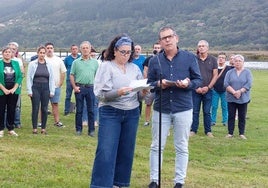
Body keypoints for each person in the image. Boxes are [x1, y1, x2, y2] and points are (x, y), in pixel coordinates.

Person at [147, 26, 202, 188]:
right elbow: (149, 83)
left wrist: (188, 84)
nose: (167, 40)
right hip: (161, 108)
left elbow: (198, 80)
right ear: (160, 42)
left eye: (170, 36)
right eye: (164, 38)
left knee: (181, 146)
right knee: (156, 145)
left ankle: (179, 182)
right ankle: (154, 180)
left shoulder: (189, 58)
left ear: (176, 38)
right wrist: (159, 84)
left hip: (183, 107)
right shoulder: (154, 60)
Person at [90, 34, 146, 188]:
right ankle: (101, 185)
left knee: (126, 151)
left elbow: (139, 97)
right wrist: (118, 92)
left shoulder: (134, 68)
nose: (126, 55)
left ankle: (120, 183)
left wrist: (145, 91)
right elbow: (101, 95)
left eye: (129, 52)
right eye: (123, 52)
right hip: (111, 112)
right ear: (114, 51)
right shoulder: (106, 66)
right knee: (106, 151)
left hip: (132, 113)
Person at [70, 41, 99, 136]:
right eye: (83, 48)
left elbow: (98, 76)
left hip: (90, 88)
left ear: (90, 49)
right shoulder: (76, 62)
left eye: (87, 48)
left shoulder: (95, 63)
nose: (85, 50)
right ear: (80, 50)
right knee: (79, 110)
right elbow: (71, 75)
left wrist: (96, 87)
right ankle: (78, 129)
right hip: (80, 88)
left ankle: (91, 130)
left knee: (91, 109)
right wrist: (74, 87)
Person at [190, 40, 218, 137]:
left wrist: (208, 87)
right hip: (195, 90)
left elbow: (215, 75)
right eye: (199, 46)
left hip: (208, 90)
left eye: (203, 46)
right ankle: (193, 130)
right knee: (195, 111)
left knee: (207, 111)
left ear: (207, 48)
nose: (201, 48)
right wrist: (195, 87)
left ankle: (208, 131)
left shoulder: (213, 60)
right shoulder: (193, 59)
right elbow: (190, 74)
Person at [27, 46, 55, 134]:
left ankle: (43, 128)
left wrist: (52, 91)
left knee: (45, 108)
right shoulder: (32, 64)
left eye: (43, 53)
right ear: (37, 53)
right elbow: (29, 78)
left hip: (46, 87)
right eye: (40, 53)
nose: (42, 54)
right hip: (35, 87)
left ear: (45, 54)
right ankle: (34, 128)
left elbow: (51, 78)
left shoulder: (49, 64)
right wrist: (29, 90)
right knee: (35, 108)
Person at [224, 54, 252, 139]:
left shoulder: (247, 72)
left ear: (243, 62)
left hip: (243, 98)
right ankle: (230, 133)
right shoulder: (229, 72)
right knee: (231, 116)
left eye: (240, 61)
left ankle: (241, 133)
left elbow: (249, 84)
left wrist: (240, 91)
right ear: (233, 62)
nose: (237, 63)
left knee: (242, 116)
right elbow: (226, 83)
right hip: (231, 98)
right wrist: (234, 92)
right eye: (236, 61)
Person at [0, 46, 23, 137]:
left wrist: (14, 88)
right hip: (2, 91)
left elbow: (20, 76)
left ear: (11, 54)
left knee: (12, 109)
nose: (7, 53)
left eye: (9, 52)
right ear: (3, 53)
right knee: (1, 110)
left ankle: (10, 128)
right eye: (5, 52)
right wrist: (4, 89)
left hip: (13, 91)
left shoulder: (16, 63)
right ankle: (1, 129)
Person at [45, 42, 67, 127]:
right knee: (42, 104)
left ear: (53, 49)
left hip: (55, 86)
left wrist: (60, 83)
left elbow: (63, 72)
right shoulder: (43, 59)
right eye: (48, 48)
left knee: (55, 104)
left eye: (51, 48)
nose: (49, 49)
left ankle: (57, 122)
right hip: (44, 86)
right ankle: (40, 122)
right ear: (45, 49)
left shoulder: (58, 60)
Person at [211, 52, 233, 126]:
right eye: (219, 57)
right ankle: (212, 121)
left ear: (225, 59)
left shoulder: (229, 68)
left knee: (225, 106)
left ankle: (225, 121)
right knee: (214, 106)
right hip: (215, 90)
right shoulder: (214, 67)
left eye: (222, 58)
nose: (221, 59)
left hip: (225, 90)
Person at [143, 42, 161, 126]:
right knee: (148, 103)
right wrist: (147, 84)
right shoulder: (148, 59)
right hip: (151, 84)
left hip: (160, 85)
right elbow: (145, 71)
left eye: (158, 48)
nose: (156, 49)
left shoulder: (162, 59)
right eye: (155, 47)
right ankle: (147, 120)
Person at [8, 42, 24, 128]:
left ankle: (16, 122)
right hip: (5, 86)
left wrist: (16, 84)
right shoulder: (2, 60)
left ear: (16, 50)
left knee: (17, 105)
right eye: (10, 49)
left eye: (13, 49)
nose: (11, 51)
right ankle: (6, 122)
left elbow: (22, 73)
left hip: (16, 86)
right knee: (6, 105)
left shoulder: (18, 60)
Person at [64, 44, 80, 116]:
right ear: (71, 50)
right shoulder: (67, 59)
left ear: (78, 50)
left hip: (79, 80)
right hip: (69, 80)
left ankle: (78, 110)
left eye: (76, 49)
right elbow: (64, 68)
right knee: (68, 96)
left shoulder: (80, 58)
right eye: (73, 49)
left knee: (79, 96)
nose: (74, 50)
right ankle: (66, 110)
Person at [133, 44, 146, 115]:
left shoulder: (143, 59)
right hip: (132, 80)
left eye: (138, 49)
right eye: (136, 49)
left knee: (139, 97)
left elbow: (145, 69)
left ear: (140, 51)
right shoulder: (131, 59)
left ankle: (139, 113)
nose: (137, 50)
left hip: (140, 81)